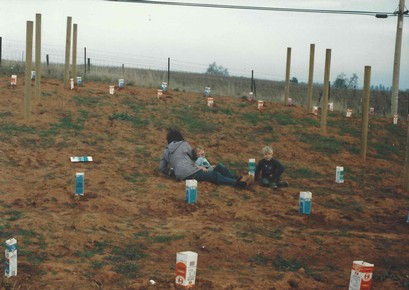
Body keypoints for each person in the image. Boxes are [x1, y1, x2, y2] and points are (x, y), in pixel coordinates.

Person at [159, 129, 250, 188]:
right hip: (191, 172)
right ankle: (237, 182)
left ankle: (236, 179)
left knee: (217, 168)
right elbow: (193, 156)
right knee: (215, 175)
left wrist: (172, 172)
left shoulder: (166, 151)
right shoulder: (183, 144)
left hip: (185, 173)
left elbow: (162, 168)